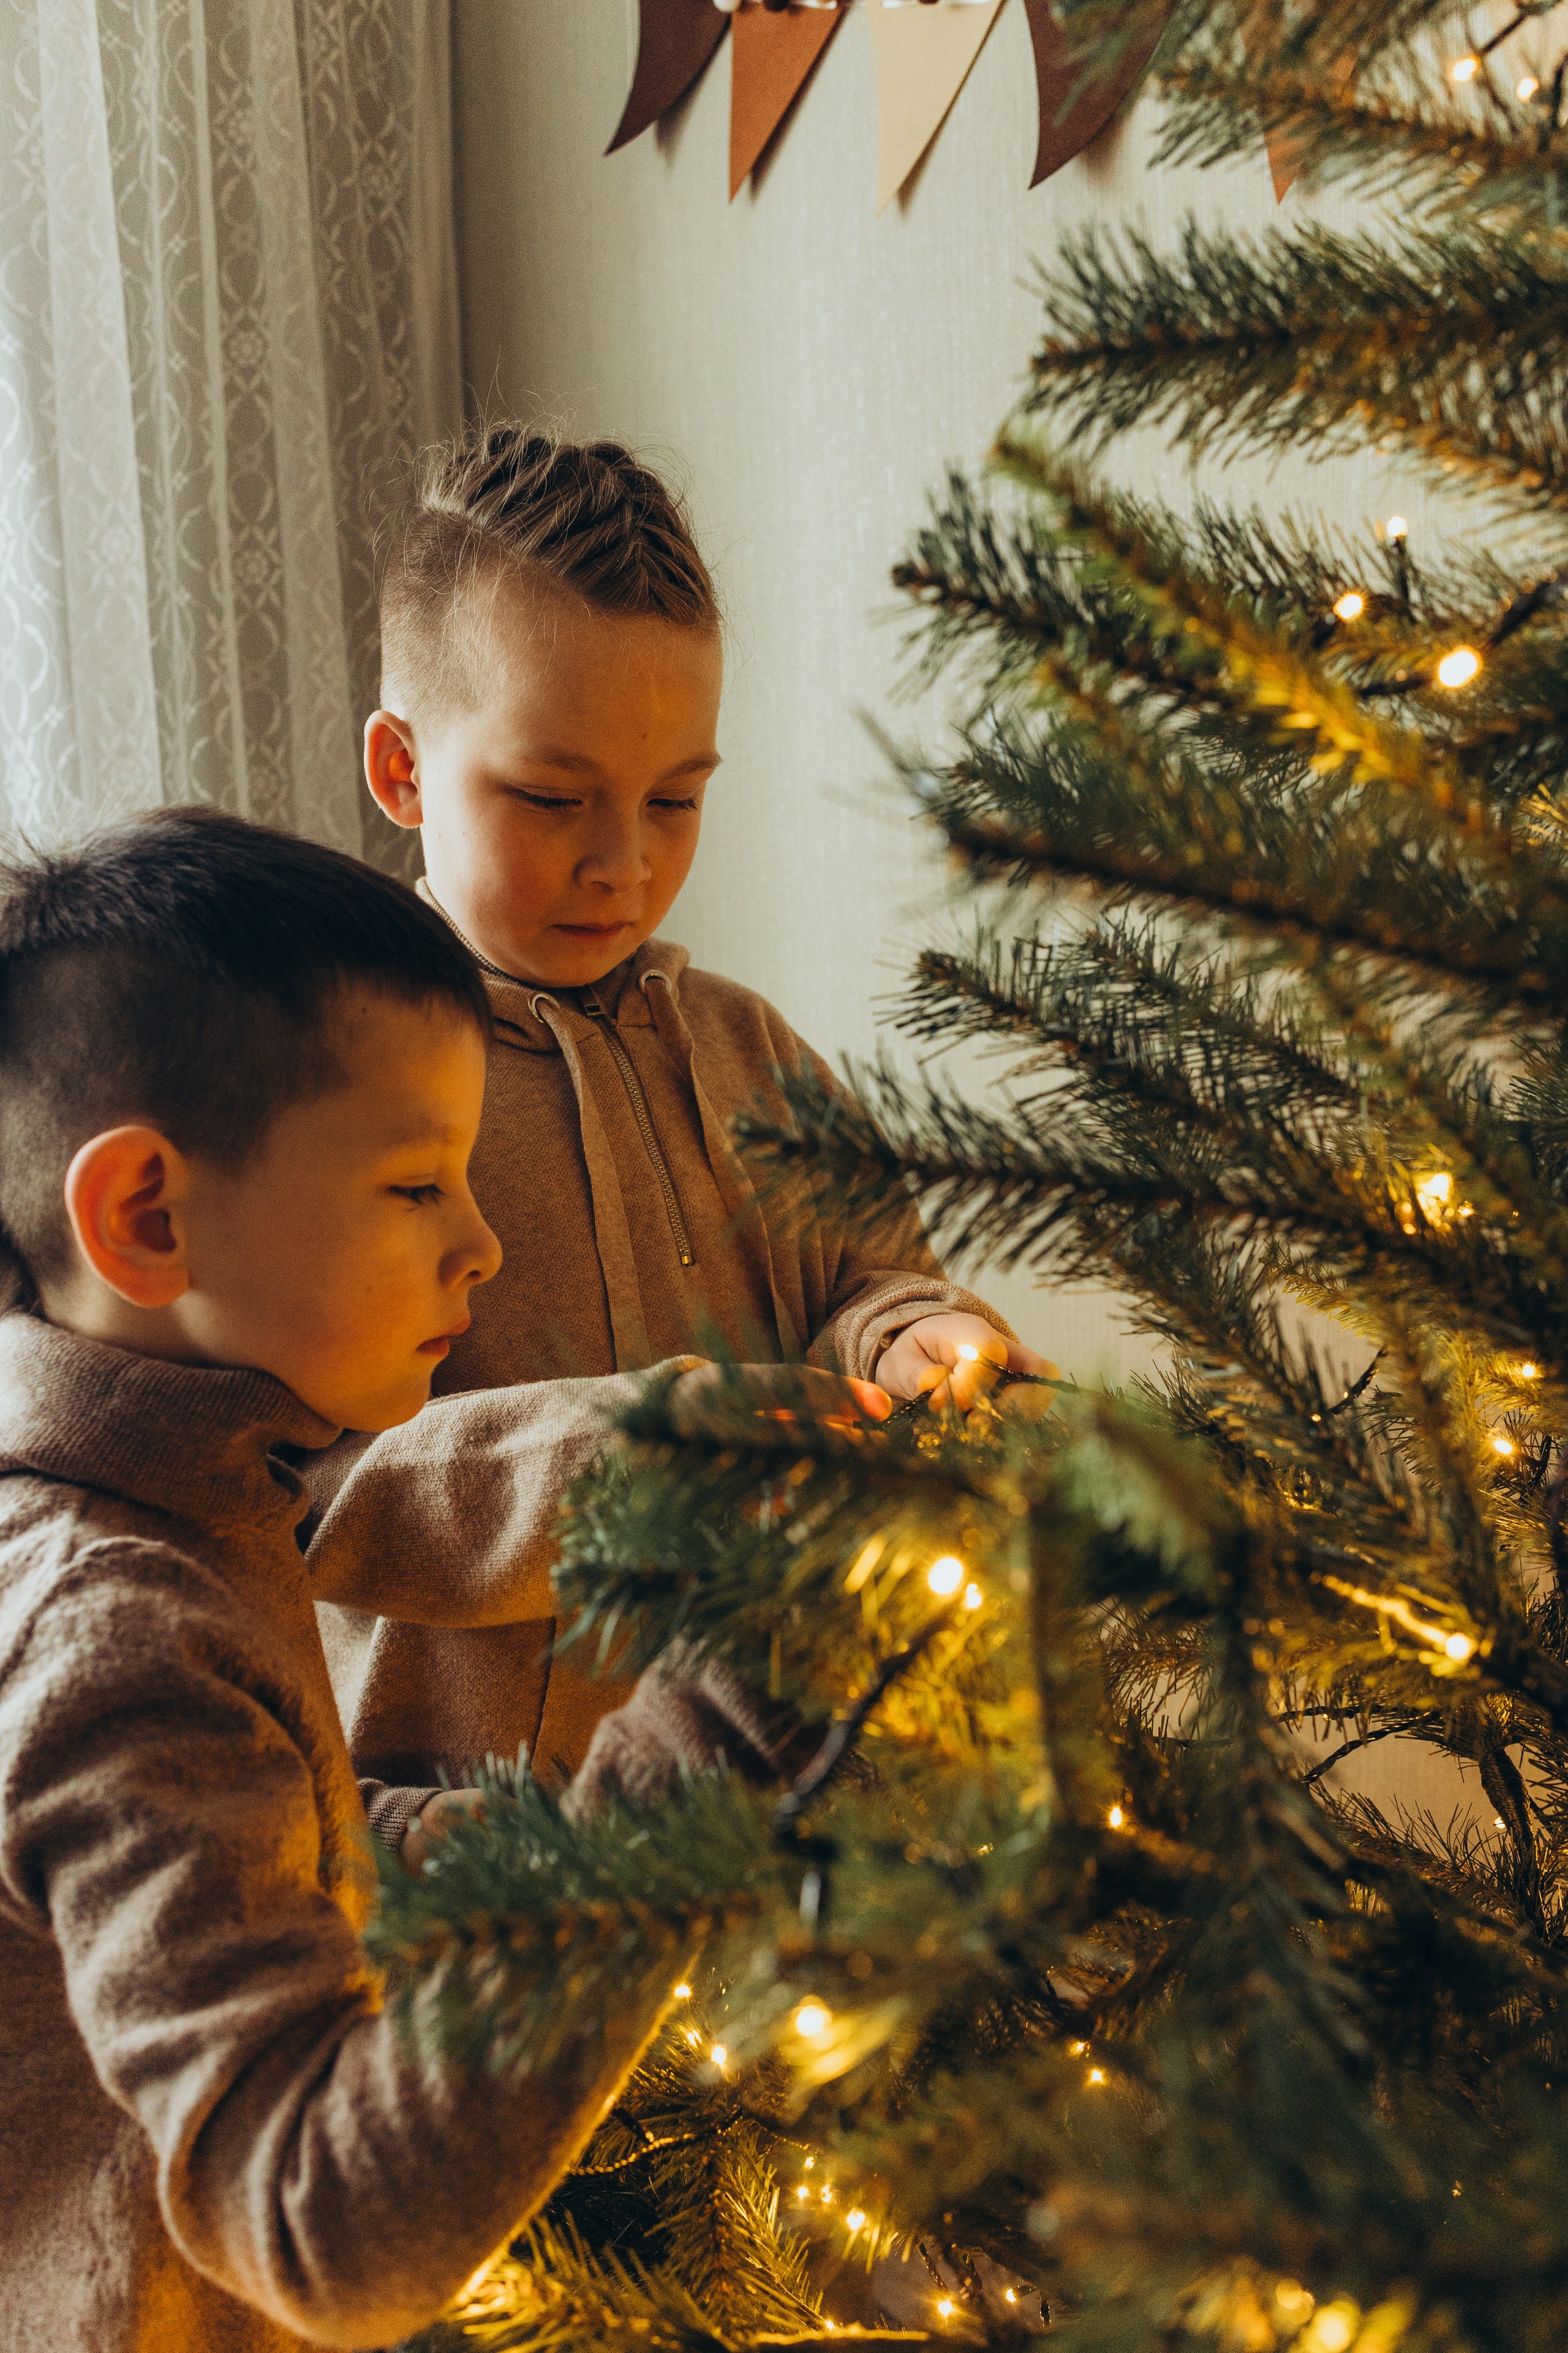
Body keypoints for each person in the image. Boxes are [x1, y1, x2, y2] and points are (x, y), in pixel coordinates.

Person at [0, 809, 676, 2351]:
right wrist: (694, 1768)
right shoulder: (110, 1628)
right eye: (415, 1185)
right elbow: (321, 2225)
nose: (485, 1246)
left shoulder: (179, 1497)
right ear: (148, 1218)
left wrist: (489, 1846)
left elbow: (241, 1833)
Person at [304, 425, 1054, 1802]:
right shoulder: (330, 1088)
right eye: (551, 798)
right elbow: (317, 1491)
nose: (624, 864)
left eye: (676, 800)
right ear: (403, 772)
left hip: (785, 1806)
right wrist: (658, 1455)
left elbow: (861, 1284)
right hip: (470, 1842)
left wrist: (912, 1342)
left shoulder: (745, 1047)